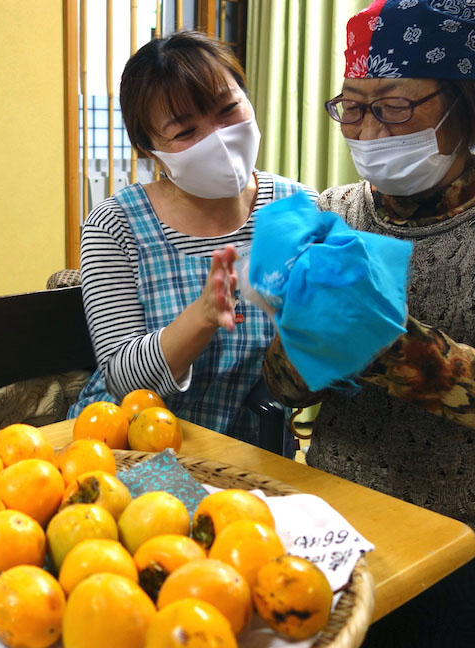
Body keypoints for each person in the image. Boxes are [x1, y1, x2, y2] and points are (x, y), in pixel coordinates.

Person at [261, 0, 475, 646]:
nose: (366, 132)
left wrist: (371, 333)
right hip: (341, 513)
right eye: (352, 109)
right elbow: (285, 389)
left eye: (391, 107)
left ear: (465, 103)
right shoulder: (332, 213)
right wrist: (287, 318)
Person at [67, 30, 317, 454]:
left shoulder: (297, 207)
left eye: (228, 109)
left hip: (249, 450)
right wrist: (202, 316)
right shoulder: (116, 224)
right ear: (150, 149)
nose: (217, 138)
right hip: (127, 446)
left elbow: (313, 357)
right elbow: (123, 378)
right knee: (163, 523)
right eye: (185, 132)